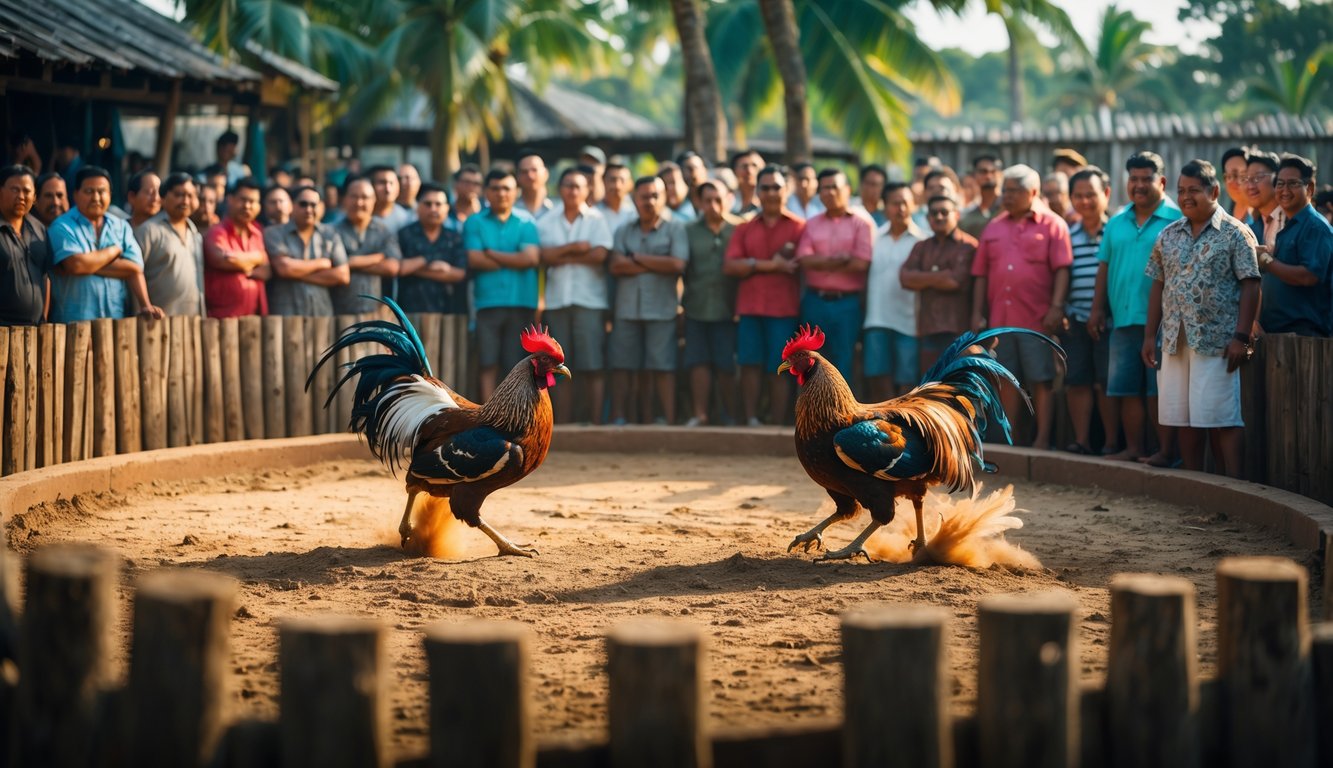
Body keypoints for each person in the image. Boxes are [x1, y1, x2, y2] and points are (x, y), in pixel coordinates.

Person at [1144, 159, 1260, 478]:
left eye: (1194, 190)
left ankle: (1234, 486)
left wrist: (1241, 336)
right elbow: (1158, 284)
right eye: (1181, 191)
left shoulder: (1236, 233)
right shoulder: (1168, 235)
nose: (1185, 197)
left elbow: (1251, 284)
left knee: (1222, 418)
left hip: (1218, 342)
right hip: (1174, 341)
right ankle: (1196, 485)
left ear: (1214, 191)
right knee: (1184, 419)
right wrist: (1149, 336)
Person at [1089, 151, 1182, 465]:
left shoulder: (1178, 220)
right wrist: (1097, 309)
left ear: (1162, 182)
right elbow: (1104, 267)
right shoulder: (1116, 222)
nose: (1139, 185)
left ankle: (1165, 452)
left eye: (1146, 179)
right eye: (1134, 179)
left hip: (1164, 322)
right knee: (1127, 390)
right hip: (1123, 319)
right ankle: (1134, 449)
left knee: (1159, 390)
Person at [970, 163, 1071, 449]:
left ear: (1034, 192)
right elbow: (981, 274)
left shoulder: (1053, 225)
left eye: (1015, 190)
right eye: (1006, 190)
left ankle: (1042, 440)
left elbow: (1062, 270)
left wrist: (1057, 306)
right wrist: (977, 313)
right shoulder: (994, 226)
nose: (1007, 196)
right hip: (1001, 321)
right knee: (1006, 381)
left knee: (1041, 379)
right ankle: (1011, 442)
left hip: (1037, 320)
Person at [724, 166, 804, 428]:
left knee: (779, 367)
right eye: (765, 187)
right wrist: (773, 265)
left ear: (787, 190)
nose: (771, 193)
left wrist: (751, 265)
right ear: (757, 191)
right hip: (750, 307)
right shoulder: (744, 228)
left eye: (776, 187)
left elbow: (803, 264)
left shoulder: (799, 227)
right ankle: (751, 420)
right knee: (749, 365)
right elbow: (730, 266)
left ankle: (778, 424)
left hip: (784, 309)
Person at [608, 176, 689, 425]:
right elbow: (616, 266)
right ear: (634, 199)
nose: (650, 201)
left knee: (663, 367)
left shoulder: (676, 227)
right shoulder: (623, 230)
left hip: (662, 309)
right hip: (627, 309)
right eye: (644, 196)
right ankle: (621, 418)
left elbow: (677, 264)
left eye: (655, 196)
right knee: (623, 366)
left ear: (664, 197)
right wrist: (657, 263)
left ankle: (669, 422)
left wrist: (637, 258)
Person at [537, 167, 613, 424]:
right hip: (557, 302)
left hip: (589, 302)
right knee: (559, 369)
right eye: (568, 185)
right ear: (560, 189)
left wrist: (562, 255)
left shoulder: (597, 219)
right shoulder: (546, 220)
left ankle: (595, 423)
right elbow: (544, 256)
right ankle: (563, 424)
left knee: (593, 365)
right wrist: (576, 248)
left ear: (587, 189)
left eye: (578, 186)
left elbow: (600, 255)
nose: (572, 190)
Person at [48, 166, 163, 322]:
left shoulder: (121, 226)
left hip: (115, 321)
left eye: (102, 191)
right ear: (75, 194)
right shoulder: (61, 226)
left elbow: (135, 267)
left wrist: (87, 264)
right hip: (73, 323)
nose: (96, 198)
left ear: (110, 195)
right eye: (89, 191)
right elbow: (76, 265)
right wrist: (114, 251)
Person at [465, 169, 541, 400]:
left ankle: (515, 412)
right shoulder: (474, 221)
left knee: (517, 364)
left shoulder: (527, 221)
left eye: (506, 188)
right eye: (495, 188)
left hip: (522, 302)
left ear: (516, 191)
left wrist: (492, 254)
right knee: (487, 362)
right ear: (486, 192)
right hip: (487, 302)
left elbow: (531, 259)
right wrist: (515, 259)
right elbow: (475, 260)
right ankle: (488, 413)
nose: (501, 193)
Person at [795, 169, 874, 380]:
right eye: (825, 188)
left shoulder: (861, 224)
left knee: (843, 361)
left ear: (847, 190)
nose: (830, 192)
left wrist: (820, 262)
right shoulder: (811, 224)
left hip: (847, 304)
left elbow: (861, 263)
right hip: (814, 300)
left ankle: (840, 404)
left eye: (834, 187)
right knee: (810, 362)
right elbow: (804, 260)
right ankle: (813, 403)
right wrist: (840, 260)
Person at [1061, 166, 1118, 455]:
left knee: (1106, 383)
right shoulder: (1067, 235)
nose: (1084, 201)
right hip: (1075, 319)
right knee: (1077, 380)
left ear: (1106, 194)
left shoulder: (1116, 232)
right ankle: (1081, 441)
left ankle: (1111, 444)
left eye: (1091, 195)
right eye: (1078, 196)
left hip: (1111, 320)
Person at [682, 180, 739, 426]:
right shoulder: (688, 230)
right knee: (698, 362)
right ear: (699, 202)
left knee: (726, 364)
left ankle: (730, 415)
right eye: (708, 200)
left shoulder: (739, 229)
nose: (714, 205)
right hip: (696, 305)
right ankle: (700, 415)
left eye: (719, 199)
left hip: (729, 308)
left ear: (729, 199)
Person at [1257, 154, 1332, 337]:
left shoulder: (1315, 227)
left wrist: (1265, 260)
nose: (1285, 190)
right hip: (1278, 333)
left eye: (1293, 184)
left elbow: (1308, 276)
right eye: (1280, 184)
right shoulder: (1290, 226)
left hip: (1304, 335)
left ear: (1310, 187)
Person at [900, 194, 976, 372]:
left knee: (957, 383)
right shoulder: (921, 247)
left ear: (957, 214)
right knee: (931, 383)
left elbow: (954, 282)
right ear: (928, 218)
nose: (939, 217)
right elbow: (905, 278)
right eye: (934, 213)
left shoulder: (968, 246)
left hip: (959, 330)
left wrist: (922, 278)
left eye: (944, 212)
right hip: (928, 328)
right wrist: (941, 276)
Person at [863, 182, 923, 400]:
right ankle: (884, 418)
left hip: (910, 322)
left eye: (906, 203)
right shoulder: (873, 238)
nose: (901, 208)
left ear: (914, 205)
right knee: (877, 376)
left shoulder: (922, 241)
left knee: (907, 379)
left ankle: (901, 420)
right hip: (876, 319)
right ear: (885, 207)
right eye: (895, 203)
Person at [262, 186, 348, 316]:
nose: (308, 209)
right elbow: (284, 268)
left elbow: (342, 275)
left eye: (313, 205)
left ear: (321, 207)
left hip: (322, 314)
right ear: (292, 205)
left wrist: (296, 273)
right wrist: (321, 263)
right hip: (284, 316)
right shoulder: (273, 233)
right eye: (303, 204)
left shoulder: (330, 234)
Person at [134, 172, 205, 316]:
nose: (185, 201)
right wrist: (141, 309)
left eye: (190, 196)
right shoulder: (148, 231)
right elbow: (133, 274)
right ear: (163, 197)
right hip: (157, 321)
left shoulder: (195, 235)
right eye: (179, 195)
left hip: (193, 321)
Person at [332, 175, 402, 315]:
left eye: (365, 197)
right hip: (339, 313)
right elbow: (331, 269)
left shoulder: (384, 231)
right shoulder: (332, 231)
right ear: (345, 199)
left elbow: (392, 267)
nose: (359, 202)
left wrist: (350, 263)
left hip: (378, 314)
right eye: (354, 196)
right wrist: (378, 257)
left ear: (374, 200)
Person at [397, 183, 467, 315]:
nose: (433, 209)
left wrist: (415, 268)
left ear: (447, 208)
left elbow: (459, 274)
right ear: (418, 207)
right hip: (409, 311)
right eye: (428, 204)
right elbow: (400, 268)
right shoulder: (405, 234)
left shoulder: (454, 237)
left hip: (449, 311)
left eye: (438, 204)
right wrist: (430, 262)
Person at [203, 177, 269, 317]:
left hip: (254, 317)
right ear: (230, 200)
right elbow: (224, 259)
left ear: (259, 206)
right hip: (222, 317)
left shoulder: (258, 233)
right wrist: (259, 257)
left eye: (252, 201)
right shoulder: (217, 232)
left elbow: (267, 271)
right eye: (243, 200)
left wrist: (241, 264)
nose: (247, 206)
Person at [0, 165, 49, 326]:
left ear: (34, 197)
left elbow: (45, 276)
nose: (21, 196)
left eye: (27, 191)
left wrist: (43, 318)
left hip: (34, 330)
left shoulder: (39, 229)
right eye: (15, 190)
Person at [1244, 150, 1283, 255]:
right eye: (1246, 179)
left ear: (1277, 179)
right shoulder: (1253, 225)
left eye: (1258, 177)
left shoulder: (1290, 220)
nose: (1250, 186)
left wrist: (1262, 258)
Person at [961, 154, 1003, 239]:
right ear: (974, 176)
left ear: (1000, 174)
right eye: (983, 171)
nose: (988, 176)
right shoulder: (968, 217)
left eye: (993, 171)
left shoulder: (1009, 207)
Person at [368, 165, 414, 234]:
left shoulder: (407, 219)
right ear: (371, 186)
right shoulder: (359, 216)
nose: (388, 189)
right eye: (382, 183)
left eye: (392, 183)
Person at [598, 162, 638, 235]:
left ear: (630, 184)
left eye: (622, 180)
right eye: (612, 180)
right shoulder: (593, 214)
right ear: (603, 181)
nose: (617, 186)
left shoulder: (636, 212)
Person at [515, 151, 554, 221]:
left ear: (546, 173)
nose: (530, 176)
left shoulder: (557, 208)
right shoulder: (510, 210)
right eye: (524, 172)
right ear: (517, 177)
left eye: (534, 170)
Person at [1220, 146, 1252, 222]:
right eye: (1233, 176)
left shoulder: (1261, 214)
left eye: (1243, 176)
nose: (1238, 182)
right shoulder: (1223, 212)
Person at [730, 149, 764, 217]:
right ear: (734, 171)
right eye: (744, 166)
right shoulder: (727, 201)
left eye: (754, 166)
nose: (749, 171)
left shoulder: (769, 201)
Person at [450, 164, 484, 230]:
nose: (471, 187)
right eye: (467, 182)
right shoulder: (445, 213)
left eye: (476, 184)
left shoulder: (487, 212)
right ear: (456, 184)